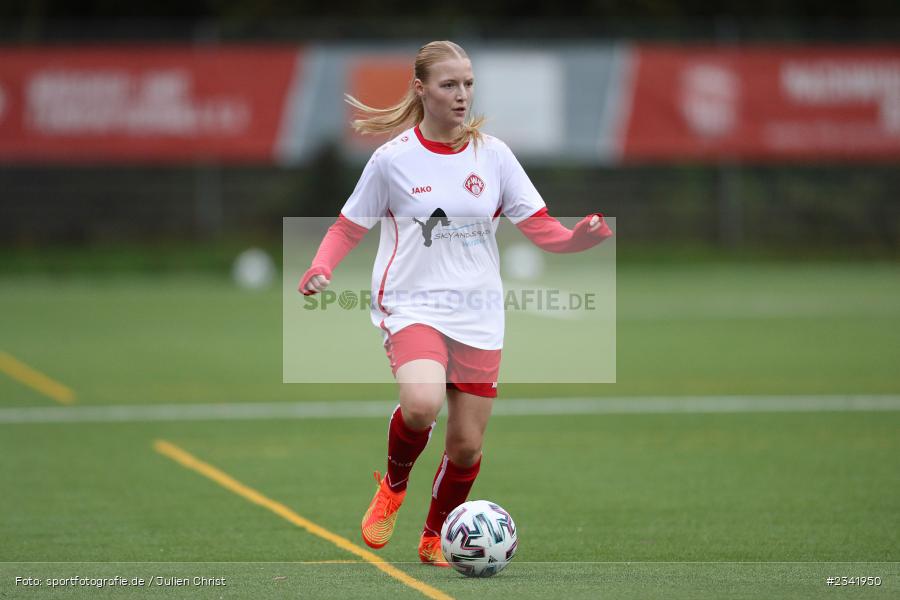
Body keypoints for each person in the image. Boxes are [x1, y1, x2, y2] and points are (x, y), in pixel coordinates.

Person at [299, 40, 613, 566]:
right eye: (450, 84)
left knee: (465, 447)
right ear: (421, 89)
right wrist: (321, 265)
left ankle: (434, 536)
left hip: (479, 313)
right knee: (423, 403)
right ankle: (394, 486)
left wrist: (577, 239)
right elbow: (348, 226)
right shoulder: (392, 159)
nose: (462, 94)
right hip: (412, 305)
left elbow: (542, 228)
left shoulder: (494, 155)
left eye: (468, 83)